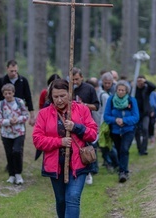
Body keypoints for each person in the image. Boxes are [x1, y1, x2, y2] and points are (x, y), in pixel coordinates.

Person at [32, 79, 97, 218]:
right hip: (55, 165)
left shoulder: (82, 109)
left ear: (69, 94)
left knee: (73, 198)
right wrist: (59, 142)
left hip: (78, 164)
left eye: (62, 96)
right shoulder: (44, 114)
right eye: (55, 97)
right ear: (51, 97)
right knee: (61, 201)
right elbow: (37, 140)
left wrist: (76, 127)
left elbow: (92, 134)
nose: (59, 100)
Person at [103, 80, 139, 183]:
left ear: (127, 91)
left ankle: (123, 172)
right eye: (119, 90)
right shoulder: (110, 100)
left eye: (123, 90)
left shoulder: (132, 101)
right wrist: (116, 120)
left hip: (128, 130)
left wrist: (124, 121)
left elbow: (136, 117)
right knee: (119, 150)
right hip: (115, 130)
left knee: (124, 149)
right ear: (116, 90)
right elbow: (106, 116)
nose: (121, 92)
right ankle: (121, 168)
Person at [0, 83, 29, 185]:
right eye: (6, 94)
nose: (8, 95)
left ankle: (18, 173)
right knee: (9, 153)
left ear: (13, 93)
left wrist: (17, 120)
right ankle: (11, 174)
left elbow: (26, 115)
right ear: (3, 94)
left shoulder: (20, 102)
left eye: (10, 93)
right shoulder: (1, 104)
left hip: (19, 132)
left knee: (17, 151)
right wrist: (9, 121)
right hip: (6, 134)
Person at [72, 67, 99, 184]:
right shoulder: (67, 89)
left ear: (81, 77)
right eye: (72, 80)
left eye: (77, 79)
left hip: (86, 122)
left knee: (88, 147)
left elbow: (96, 106)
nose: (74, 82)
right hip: (72, 123)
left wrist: (84, 105)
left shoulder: (89, 89)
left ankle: (89, 171)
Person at [0, 60, 35, 126]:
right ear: (7, 69)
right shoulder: (0, 81)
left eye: (15, 71)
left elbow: (28, 98)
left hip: (19, 114)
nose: (14, 73)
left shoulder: (23, 81)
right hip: (5, 115)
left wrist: (32, 116)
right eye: (11, 71)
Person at [97, 72, 119, 172]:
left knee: (111, 144)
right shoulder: (100, 92)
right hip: (103, 121)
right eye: (105, 83)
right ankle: (109, 162)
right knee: (104, 144)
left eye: (109, 83)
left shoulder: (115, 90)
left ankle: (115, 163)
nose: (107, 85)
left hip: (112, 120)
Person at [134, 75, 156, 156]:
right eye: (138, 81)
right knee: (137, 132)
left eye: (141, 81)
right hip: (136, 113)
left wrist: (145, 81)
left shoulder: (146, 89)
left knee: (145, 129)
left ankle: (144, 149)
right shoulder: (134, 90)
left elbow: (154, 86)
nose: (140, 83)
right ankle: (139, 148)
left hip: (145, 113)